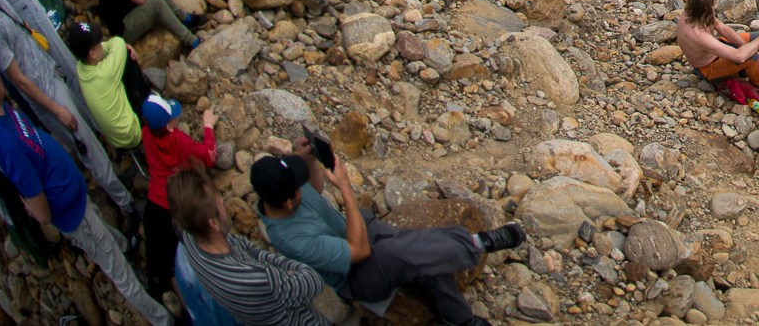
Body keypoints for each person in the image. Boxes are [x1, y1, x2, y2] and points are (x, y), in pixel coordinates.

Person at [0, 49, 171, 325]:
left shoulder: (1, 109)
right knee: (117, 270)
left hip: (74, 193)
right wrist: (37, 207)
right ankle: (162, 318)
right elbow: (40, 211)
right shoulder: (4, 143)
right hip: (70, 210)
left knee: (108, 238)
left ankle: (123, 245)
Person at [252, 145, 523, 325]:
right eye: (296, 188)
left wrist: (308, 159)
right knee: (400, 253)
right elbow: (359, 252)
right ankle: (479, 243)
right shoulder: (291, 238)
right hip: (355, 276)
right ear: (287, 202)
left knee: (423, 257)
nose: (302, 188)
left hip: (357, 231)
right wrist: (346, 189)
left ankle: (461, 320)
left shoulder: (285, 193)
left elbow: (316, 186)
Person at [0, 0, 135, 212]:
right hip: (46, 92)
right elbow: (18, 80)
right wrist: (56, 109)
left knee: (91, 128)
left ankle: (118, 172)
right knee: (89, 149)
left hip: (49, 71)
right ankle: (127, 203)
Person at [170, 163, 331, 326]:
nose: (223, 200)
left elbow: (246, 247)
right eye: (219, 199)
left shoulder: (191, 240)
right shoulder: (256, 279)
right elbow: (313, 281)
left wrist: (278, 272)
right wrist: (287, 270)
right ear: (214, 224)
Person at [142, 95, 216, 307]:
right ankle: (191, 309)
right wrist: (208, 126)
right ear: (169, 125)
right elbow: (209, 156)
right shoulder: (180, 141)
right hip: (175, 208)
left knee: (159, 261)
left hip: (154, 205)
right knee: (181, 262)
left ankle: (162, 297)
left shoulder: (146, 134)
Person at [63, 18, 147, 151]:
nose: (102, 44)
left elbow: (112, 47)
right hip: (133, 133)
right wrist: (123, 49)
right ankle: (147, 107)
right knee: (128, 59)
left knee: (121, 56)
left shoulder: (80, 68)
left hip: (116, 138)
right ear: (92, 53)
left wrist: (115, 49)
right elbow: (118, 42)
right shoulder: (104, 74)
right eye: (99, 43)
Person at [675, 0, 759, 89]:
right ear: (706, 11)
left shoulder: (692, 11)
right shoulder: (699, 35)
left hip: (716, 51)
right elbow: (739, 56)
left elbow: (723, 29)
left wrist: (749, 45)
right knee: (752, 57)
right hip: (708, 68)